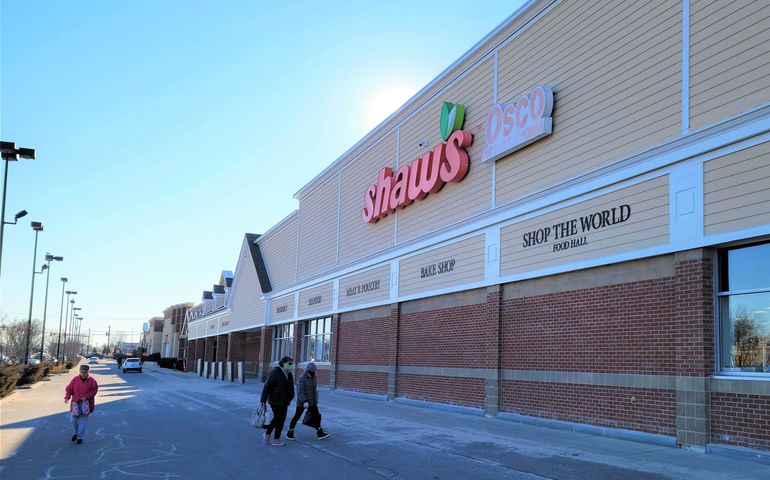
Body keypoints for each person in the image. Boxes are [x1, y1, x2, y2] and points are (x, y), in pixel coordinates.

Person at [286, 362, 330, 440]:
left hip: (312, 402)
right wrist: (304, 402)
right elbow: (300, 392)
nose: (313, 372)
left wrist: (315, 399)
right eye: (312, 371)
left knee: (317, 415)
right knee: (297, 416)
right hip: (303, 403)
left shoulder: (314, 378)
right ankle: (290, 431)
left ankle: (319, 432)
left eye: (314, 371)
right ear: (307, 370)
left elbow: (315, 390)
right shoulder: (302, 379)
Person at [260, 356, 295, 446]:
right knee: (278, 418)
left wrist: (291, 397)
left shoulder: (289, 374)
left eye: (292, 364)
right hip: (275, 400)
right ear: (283, 363)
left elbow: (291, 387)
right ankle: (268, 434)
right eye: (290, 363)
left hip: (285, 401)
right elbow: (267, 386)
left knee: (282, 419)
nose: (291, 365)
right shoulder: (275, 372)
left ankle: (276, 439)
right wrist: (263, 400)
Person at [64, 364, 99, 444]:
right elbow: (69, 389)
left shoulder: (92, 381)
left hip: (86, 405)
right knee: (73, 421)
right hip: (75, 404)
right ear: (79, 371)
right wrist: (67, 397)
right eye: (81, 372)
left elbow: (94, 391)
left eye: (85, 372)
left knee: (82, 422)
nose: (83, 374)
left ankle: (80, 437)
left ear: (88, 372)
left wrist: (86, 396)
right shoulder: (75, 379)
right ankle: (76, 433)